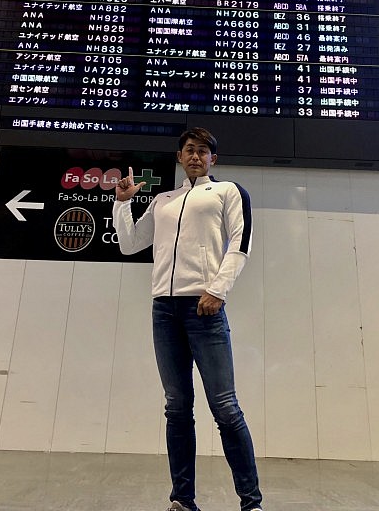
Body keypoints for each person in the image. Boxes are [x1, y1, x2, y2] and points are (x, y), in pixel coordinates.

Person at [113, 127, 263, 511]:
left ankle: (251, 503)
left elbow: (241, 243)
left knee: (225, 407)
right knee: (177, 408)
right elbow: (130, 244)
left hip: (204, 307)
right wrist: (122, 204)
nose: (196, 156)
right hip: (164, 310)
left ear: (214, 158)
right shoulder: (163, 200)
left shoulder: (228, 192)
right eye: (189, 150)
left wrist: (218, 290)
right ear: (179, 157)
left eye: (203, 151)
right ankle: (182, 500)